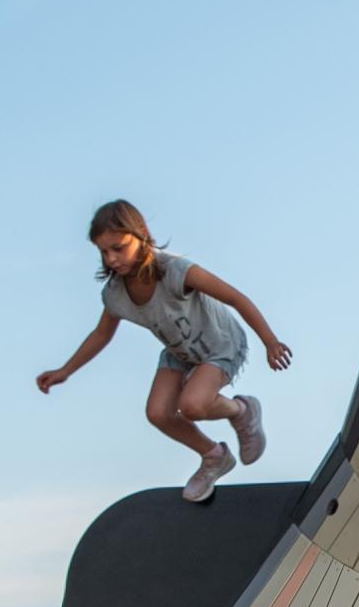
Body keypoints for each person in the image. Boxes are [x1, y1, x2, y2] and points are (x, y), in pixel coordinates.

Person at [35, 199, 292, 503]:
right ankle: (214, 456)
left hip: (221, 344)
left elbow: (236, 298)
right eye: (104, 252)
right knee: (157, 413)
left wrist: (270, 341)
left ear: (141, 235)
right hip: (180, 353)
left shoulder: (176, 271)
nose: (112, 259)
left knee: (193, 405)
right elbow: (101, 334)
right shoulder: (115, 293)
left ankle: (242, 411)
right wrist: (65, 370)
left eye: (119, 247)